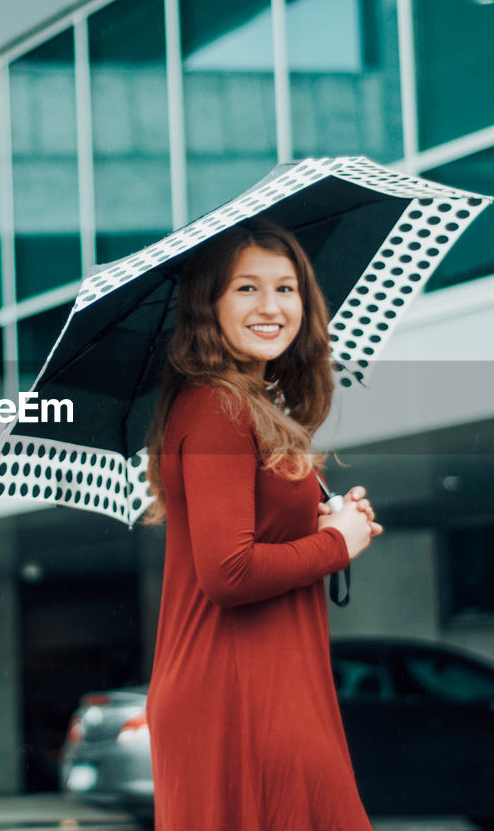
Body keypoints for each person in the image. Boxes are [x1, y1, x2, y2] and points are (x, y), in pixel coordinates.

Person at [143, 218, 383, 830]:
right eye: (246, 289)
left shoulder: (248, 404)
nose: (271, 306)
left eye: (287, 288)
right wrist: (336, 543)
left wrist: (330, 523)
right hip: (236, 693)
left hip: (264, 685)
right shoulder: (218, 406)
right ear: (209, 307)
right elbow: (229, 572)